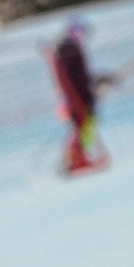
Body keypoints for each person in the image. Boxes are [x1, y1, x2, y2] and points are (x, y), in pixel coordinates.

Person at [49, 19, 107, 174]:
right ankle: (78, 159)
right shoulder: (68, 52)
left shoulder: (70, 51)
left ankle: (80, 158)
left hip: (81, 96)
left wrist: (95, 82)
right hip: (77, 98)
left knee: (85, 127)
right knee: (83, 127)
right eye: (76, 33)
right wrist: (76, 99)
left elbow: (80, 77)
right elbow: (70, 80)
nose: (80, 37)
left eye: (81, 33)